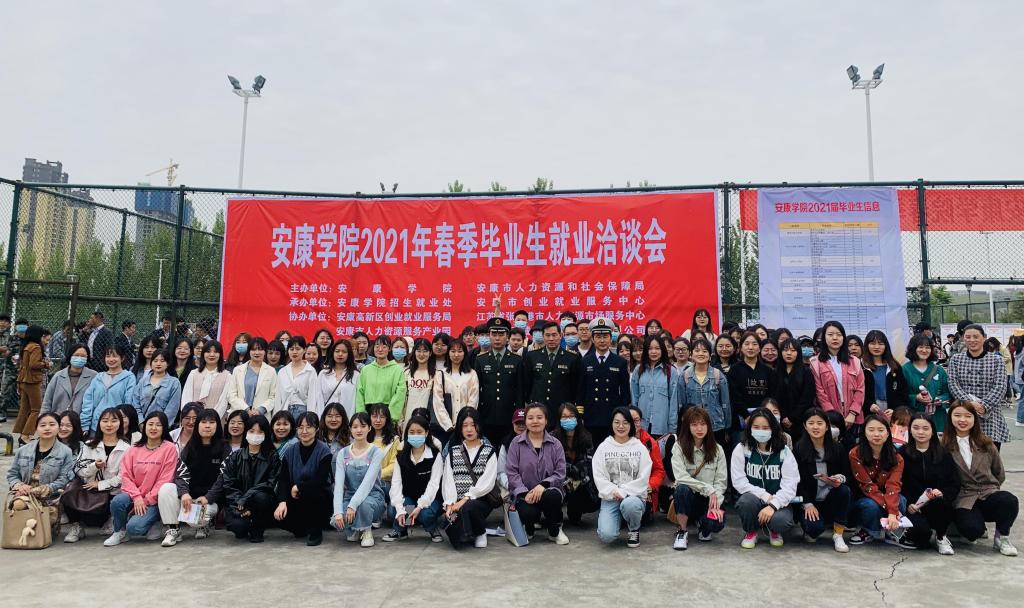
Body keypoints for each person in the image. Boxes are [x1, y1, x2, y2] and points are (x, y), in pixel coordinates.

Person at [943, 402, 1019, 556]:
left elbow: (999, 472)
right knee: (972, 531)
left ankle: (1001, 537)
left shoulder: (986, 443)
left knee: (1009, 500)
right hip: (963, 497)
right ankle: (961, 524)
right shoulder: (943, 445)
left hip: (987, 492)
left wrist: (992, 488)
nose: (962, 420)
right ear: (950, 417)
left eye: (968, 416)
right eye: (957, 415)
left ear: (975, 419)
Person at [157, 408, 230, 546]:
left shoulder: (225, 447)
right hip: (189, 498)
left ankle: (203, 525)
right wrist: (184, 493)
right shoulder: (190, 446)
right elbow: (181, 473)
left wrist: (208, 497)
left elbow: (224, 477)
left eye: (212, 422)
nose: (207, 426)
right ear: (198, 425)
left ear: (217, 425)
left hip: (210, 501)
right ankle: (173, 530)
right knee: (166, 488)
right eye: (203, 422)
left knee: (194, 521)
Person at [104, 411, 178, 546]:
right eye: (150, 424)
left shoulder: (169, 448)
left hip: (155, 500)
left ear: (164, 428)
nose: (153, 428)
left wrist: (146, 500)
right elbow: (126, 476)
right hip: (135, 496)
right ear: (144, 427)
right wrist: (137, 497)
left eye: (158, 425)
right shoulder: (134, 449)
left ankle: (155, 521)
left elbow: (165, 480)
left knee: (135, 528)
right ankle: (119, 531)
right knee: (117, 501)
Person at [731, 407, 798, 549]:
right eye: (756, 427)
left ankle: (773, 529)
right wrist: (764, 496)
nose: (761, 431)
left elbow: (790, 485)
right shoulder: (742, 448)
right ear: (750, 428)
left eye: (766, 428)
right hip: (754, 499)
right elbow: (739, 481)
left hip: (778, 501)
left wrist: (773, 505)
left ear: (773, 428)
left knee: (782, 521)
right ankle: (751, 531)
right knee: (745, 502)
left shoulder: (784, 452)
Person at [505, 402, 569, 544]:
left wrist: (543, 485)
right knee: (529, 512)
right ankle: (529, 528)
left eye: (539, 417)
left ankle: (554, 531)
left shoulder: (555, 444)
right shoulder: (516, 443)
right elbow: (512, 472)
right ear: (525, 421)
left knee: (552, 497)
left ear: (546, 421)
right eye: (530, 418)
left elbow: (560, 472)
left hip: (548, 490)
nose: (535, 421)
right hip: (525, 494)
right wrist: (524, 493)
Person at [64, 407, 130, 543]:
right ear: (99, 423)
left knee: (119, 498)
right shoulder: (89, 445)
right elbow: (78, 469)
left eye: (114, 421)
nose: (109, 425)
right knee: (68, 490)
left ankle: (112, 520)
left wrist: (100, 484)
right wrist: (95, 466)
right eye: (105, 421)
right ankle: (76, 526)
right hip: (89, 490)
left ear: (120, 424)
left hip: (112, 492)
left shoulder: (127, 448)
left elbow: (124, 477)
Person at [6, 413, 75, 538]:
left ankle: (48, 526)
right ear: (36, 428)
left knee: (42, 529)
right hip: (25, 494)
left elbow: (64, 478)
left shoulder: (65, 452)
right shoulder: (23, 450)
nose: (47, 428)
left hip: (50, 497)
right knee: (19, 505)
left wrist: (44, 489)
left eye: (52, 424)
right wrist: (20, 485)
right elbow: (12, 474)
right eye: (42, 425)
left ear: (58, 427)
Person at [792, 408, 851, 552]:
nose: (815, 427)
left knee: (844, 490)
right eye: (811, 423)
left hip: (830, 497)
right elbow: (795, 481)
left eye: (820, 423)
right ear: (805, 426)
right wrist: (807, 503)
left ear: (826, 426)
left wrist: (839, 479)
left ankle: (838, 534)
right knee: (814, 531)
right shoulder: (799, 449)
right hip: (809, 500)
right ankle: (811, 526)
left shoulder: (837, 448)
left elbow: (847, 474)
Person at [900, 412, 960, 554]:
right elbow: (898, 483)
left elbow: (954, 482)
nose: (920, 432)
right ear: (910, 430)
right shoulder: (902, 453)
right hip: (914, 507)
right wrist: (908, 504)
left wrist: (942, 492)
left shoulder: (943, 454)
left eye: (925, 428)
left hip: (936, 505)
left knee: (941, 503)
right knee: (921, 536)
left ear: (932, 431)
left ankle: (941, 536)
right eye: (916, 428)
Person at [593, 407, 652, 547]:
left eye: (625, 422)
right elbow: (598, 476)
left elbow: (643, 478)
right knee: (607, 535)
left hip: (633, 497)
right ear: (611, 424)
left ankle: (634, 528)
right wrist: (613, 491)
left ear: (631, 425)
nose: (621, 426)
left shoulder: (639, 448)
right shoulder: (603, 447)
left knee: (630, 505)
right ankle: (615, 519)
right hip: (611, 497)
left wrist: (624, 491)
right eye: (617, 422)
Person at [669, 406, 727, 550]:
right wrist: (707, 489)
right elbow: (681, 477)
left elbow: (721, 482)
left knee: (717, 523)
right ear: (687, 427)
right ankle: (682, 531)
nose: (699, 428)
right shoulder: (678, 447)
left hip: (708, 500)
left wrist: (716, 504)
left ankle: (704, 527)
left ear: (708, 426)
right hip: (689, 497)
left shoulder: (718, 449)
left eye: (703, 424)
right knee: (681, 489)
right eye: (694, 424)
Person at [848, 414, 910, 546]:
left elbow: (893, 485)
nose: (876, 434)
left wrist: (893, 511)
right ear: (864, 433)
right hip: (865, 496)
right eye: (871, 430)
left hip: (887, 494)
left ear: (888, 434)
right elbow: (868, 487)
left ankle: (891, 531)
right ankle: (868, 531)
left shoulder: (897, 458)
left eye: (881, 430)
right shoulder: (855, 454)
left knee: (901, 501)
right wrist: (891, 510)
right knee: (870, 506)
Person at [273, 412, 333, 546]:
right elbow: (283, 479)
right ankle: (300, 529)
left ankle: (315, 531)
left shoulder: (324, 450)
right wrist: (282, 502)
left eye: (309, 427)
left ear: (316, 429)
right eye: (300, 427)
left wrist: (299, 487)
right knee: (278, 514)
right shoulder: (290, 451)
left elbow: (320, 479)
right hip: (296, 498)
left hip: (320, 498)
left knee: (311, 493)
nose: (304, 431)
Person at [441, 408, 498, 548]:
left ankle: (480, 532)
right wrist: (450, 504)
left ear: (479, 426)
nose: (469, 429)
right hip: (457, 503)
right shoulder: (453, 452)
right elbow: (448, 481)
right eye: (465, 425)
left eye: (473, 425)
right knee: (455, 539)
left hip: (481, 501)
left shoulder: (489, 451)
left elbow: (487, 482)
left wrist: (465, 499)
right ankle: (467, 532)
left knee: (469, 507)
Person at [947, 324, 1011, 448]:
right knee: (963, 453)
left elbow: (1000, 386)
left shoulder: (996, 360)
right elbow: (953, 384)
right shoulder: (956, 359)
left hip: (990, 415)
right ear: (963, 338)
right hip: (964, 412)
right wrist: (969, 403)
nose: (972, 340)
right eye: (968, 337)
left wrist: (984, 406)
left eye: (976, 337)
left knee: (989, 453)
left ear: (984, 338)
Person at [384, 414, 445, 543]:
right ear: (407, 434)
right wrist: (400, 510)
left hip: (432, 499)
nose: (415, 435)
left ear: (426, 433)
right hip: (410, 498)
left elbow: (434, 485)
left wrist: (420, 506)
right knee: (396, 510)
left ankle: (432, 528)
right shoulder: (401, 456)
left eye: (419, 432)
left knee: (425, 514)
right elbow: (396, 484)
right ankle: (402, 529)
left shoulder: (435, 455)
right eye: (412, 432)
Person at [221, 414, 280, 542]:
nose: (255, 435)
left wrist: (246, 499)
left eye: (260, 432)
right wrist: (239, 503)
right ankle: (244, 521)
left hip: (261, 504)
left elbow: (270, 484)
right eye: (252, 431)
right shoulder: (236, 456)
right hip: (239, 504)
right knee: (238, 528)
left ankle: (258, 529)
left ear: (266, 434)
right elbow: (229, 484)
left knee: (261, 497)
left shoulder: (272, 457)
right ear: (246, 432)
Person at [333, 412, 387, 547]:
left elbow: (368, 483)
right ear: (350, 429)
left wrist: (353, 505)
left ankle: (366, 530)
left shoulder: (376, 452)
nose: (359, 430)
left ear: (369, 428)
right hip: (350, 496)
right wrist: (338, 511)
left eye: (363, 426)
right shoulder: (343, 453)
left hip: (373, 496)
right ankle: (355, 529)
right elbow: (339, 485)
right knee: (342, 512)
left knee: (364, 505)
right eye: (355, 426)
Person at [809, 321, 866, 448]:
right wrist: (834, 416)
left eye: (839, 335)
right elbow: (819, 392)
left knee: (854, 451)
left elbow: (860, 389)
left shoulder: (855, 361)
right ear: (824, 338)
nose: (835, 338)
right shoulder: (815, 362)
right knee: (833, 451)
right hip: (830, 419)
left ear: (843, 338)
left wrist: (852, 414)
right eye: (830, 334)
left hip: (854, 418)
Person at [474, 316, 526, 446]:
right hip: (487, 414)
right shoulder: (480, 360)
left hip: (509, 415)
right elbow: (476, 390)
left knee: (508, 449)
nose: (497, 338)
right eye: (494, 334)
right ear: (489, 336)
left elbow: (520, 390)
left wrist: (519, 415)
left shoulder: (517, 360)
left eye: (501, 334)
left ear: (507, 337)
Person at [579, 318, 631, 446]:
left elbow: (625, 393)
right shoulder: (585, 361)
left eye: (605, 336)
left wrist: (622, 415)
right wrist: (580, 415)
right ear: (592, 339)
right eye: (598, 337)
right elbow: (580, 391)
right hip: (591, 416)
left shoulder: (620, 362)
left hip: (612, 416)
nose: (602, 340)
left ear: (611, 338)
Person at [524, 321, 581, 425]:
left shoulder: (572, 358)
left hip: (561, 410)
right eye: (547, 335)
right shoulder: (532, 356)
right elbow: (527, 384)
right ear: (543, 336)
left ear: (560, 335)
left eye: (554, 335)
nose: (551, 339)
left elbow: (575, 387)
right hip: (538, 409)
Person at [677, 338, 731, 446]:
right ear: (691, 354)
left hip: (716, 426)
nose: (701, 354)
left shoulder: (718, 375)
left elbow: (725, 404)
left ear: (710, 355)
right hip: (692, 427)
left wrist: (727, 427)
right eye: (697, 351)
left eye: (705, 351)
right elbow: (681, 405)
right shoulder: (685, 376)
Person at [552, 403, 599, 524]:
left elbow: (588, 465)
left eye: (571, 416)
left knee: (591, 498)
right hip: (560, 481)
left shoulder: (586, 437)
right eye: (564, 417)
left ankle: (575, 510)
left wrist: (575, 476)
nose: (568, 419)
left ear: (577, 418)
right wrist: (571, 474)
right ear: (559, 419)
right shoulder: (552, 438)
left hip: (580, 481)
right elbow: (554, 465)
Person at [901, 334, 952, 434]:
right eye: (920, 347)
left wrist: (939, 400)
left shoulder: (939, 370)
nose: (924, 350)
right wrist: (916, 398)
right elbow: (901, 396)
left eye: (927, 347)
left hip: (937, 418)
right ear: (913, 348)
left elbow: (948, 393)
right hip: (914, 418)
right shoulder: (904, 370)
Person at [630, 335, 679, 437]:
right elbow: (634, 399)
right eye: (650, 349)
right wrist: (634, 424)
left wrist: (672, 429)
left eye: (657, 348)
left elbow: (674, 402)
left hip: (662, 427)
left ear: (662, 350)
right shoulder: (638, 370)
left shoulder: (671, 371)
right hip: (642, 426)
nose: (653, 352)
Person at [80, 345, 137, 432]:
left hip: (117, 426)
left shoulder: (129, 378)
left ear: (122, 358)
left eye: (115, 356)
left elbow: (128, 403)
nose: (111, 359)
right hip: (96, 425)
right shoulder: (98, 377)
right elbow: (88, 401)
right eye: (108, 356)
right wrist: (85, 424)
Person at [432, 338, 479, 444]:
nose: (456, 355)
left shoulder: (472, 374)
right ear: (448, 353)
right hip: (445, 429)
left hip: (466, 429)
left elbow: (473, 400)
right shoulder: (441, 374)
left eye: (460, 351)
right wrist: (448, 425)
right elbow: (438, 402)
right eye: (453, 351)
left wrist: (464, 423)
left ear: (464, 353)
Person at [728, 331, 776, 435]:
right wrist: (746, 415)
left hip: (765, 419)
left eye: (754, 344)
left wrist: (763, 415)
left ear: (759, 348)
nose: (750, 347)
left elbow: (772, 396)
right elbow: (734, 396)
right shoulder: (734, 370)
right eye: (746, 344)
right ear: (741, 347)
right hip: (742, 420)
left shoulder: (768, 371)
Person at [355, 335, 407, 421]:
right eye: (377, 346)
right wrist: (361, 414)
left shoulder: (397, 370)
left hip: (388, 414)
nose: (380, 349)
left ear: (389, 349)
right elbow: (360, 393)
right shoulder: (366, 369)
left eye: (384, 347)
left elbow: (400, 394)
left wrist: (391, 417)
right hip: (368, 415)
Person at [12, 325, 50, 443]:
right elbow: (34, 364)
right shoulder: (36, 347)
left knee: (24, 408)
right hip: (32, 381)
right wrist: (46, 364)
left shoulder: (26, 346)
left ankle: (21, 433)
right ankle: (26, 435)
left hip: (23, 380)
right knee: (36, 409)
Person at [773, 338, 815, 441]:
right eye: (785, 350)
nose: (789, 353)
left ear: (798, 352)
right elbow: (774, 397)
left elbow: (807, 398)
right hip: (780, 420)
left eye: (793, 350)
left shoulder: (806, 372)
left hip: (801, 420)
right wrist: (783, 417)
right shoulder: (775, 372)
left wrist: (792, 418)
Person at [226, 337, 278, 418]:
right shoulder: (238, 370)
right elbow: (231, 395)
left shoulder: (271, 371)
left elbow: (273, 396)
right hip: (239, 415)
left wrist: (260, 410)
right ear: (249, 351)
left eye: (260, 349)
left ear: (265, 351)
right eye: (253, 349)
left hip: (261, 416)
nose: (256, 352)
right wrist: (246, 409)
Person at [862, 330, 909, 416]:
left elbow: (903, 392)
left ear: (885, 346)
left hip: (892, 414)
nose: (877, 347)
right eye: (872, 343)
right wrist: (869, 405)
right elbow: (858, 393)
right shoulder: (861, 367)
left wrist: (895, 409)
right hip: (869, 414)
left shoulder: (894, 367)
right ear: (867, 345)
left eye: (880, 344)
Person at [41, 344, 97, 416]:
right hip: (58, 418)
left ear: (87, 358)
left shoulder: (94, 376)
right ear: (70, 356)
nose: (79, 358)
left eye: (83, 356)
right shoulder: (58, 376)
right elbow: (47, 401)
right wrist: (43, 418)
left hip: (82, 419)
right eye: (76, 355)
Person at [275, 336, 324, 417]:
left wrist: (310, 417)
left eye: (298, 349)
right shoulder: (282, 372)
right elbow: (278, 397)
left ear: (304, 350)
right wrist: (277, 416)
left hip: (303, 413)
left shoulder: (310, 371)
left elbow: (313, 397)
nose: (294, 352)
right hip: (285, 413)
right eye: (291, 349)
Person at [132, 349, 183, 426]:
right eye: (155, 361)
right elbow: (135, 403)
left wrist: (161, 425)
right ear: (151, 363)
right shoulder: (143, 381)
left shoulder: (174, 383)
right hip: (142, 425)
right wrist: (141, 422)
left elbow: (172, 409)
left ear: (167, 363)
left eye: (162, 361)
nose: (158, 364)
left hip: (162, 426)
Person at [181, 340, 231, 416]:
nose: (212, 354)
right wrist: (190, 415)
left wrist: (213, 418)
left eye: (215, 352)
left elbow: (223, 401)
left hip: (215, 419)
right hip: (192, 418)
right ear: (203, 354)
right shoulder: (193, 373)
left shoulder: (227, 376)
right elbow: (186, 397)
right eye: (208, 351)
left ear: (220, 354)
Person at [367, 402, 400, 505]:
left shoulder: (394, 440)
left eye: (382, 417)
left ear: (387, 419)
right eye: (374, 416)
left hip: (384, 482)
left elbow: (394, 465)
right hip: (364, 479)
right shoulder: (363, 437)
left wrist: (375, 475)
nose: (378, 420)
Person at [318, 339, 359, 417]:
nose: (340, 354)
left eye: (344, 352)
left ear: (349, 354)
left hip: (348, 417)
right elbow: (318, 398)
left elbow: (356, 401)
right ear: (332, 353)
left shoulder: (356, 375)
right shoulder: (323, 374)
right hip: (327, 418)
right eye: (337, 351)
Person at [404, 338, 436, 426]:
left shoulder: (437, 375)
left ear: (430, 353)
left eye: (425, 351)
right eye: (418, 351)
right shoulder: (407, 373)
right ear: (414, 352)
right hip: (408, 418)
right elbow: (403, 400)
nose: (421, 354)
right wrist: (400, 420)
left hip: (428, 419)